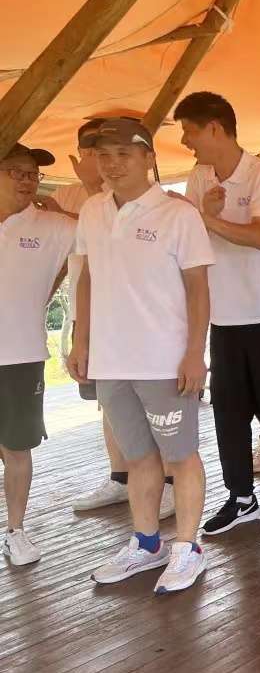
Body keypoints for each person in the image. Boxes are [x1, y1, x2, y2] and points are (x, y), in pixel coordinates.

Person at [66, 119, 213, 594]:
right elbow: (87, 277)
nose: (111, 164)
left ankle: (187, 548)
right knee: (138, 458)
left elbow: (198, 287)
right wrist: (81, 340)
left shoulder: (177, 214)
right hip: (111, 360)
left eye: (123, 154)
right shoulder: (92, 210)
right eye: (102, 155)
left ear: (149, 157)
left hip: (164, 360)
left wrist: (195, 353)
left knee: (180, 456)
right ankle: (147, 544)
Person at [177, 91, 260, 538]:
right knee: (228, 414)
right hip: (223, 317)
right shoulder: (198, 177)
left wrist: (206, 219)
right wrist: (201, 217)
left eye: (189, 132)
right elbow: (189, 239)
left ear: (214, 128)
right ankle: (241, 497)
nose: (185, 142)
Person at [52, 120, 175, 517]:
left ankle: (168, 482)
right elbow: (78, 261)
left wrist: (93, 185)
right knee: (111, 404)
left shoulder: (148, 199)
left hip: (142, 323)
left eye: (112, 151)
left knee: (156, 406)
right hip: (94, 317)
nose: (101, 159)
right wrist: (78, 333)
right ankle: (120, 477)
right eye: (93, 150)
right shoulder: (71, 196)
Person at [1, 143, 75, 566]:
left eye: (33, 174)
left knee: (16, 448)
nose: (28, 180)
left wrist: (65, 212)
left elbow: (108, 232)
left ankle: (15, 531)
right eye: (17, 172)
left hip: (20, 357)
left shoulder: (52, 225)